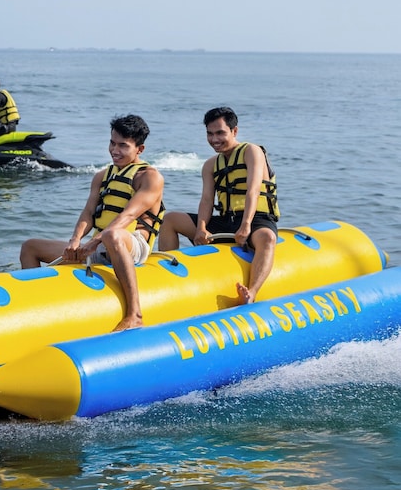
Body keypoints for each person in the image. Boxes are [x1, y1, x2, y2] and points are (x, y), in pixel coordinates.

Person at [20, 114, 165, 332]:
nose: (115, 150)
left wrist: (94, 242)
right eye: (112, 143)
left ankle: (135, 314)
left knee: (112, 235)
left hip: (132, 245)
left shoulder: (149, 177)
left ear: (140, 149)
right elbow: (88, 213)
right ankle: (33, 308)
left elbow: (127, 216)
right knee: (30, 247)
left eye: (123, 146)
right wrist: (76, 240)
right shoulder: (102, 176)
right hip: (101, 244)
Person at [158, 106, 280, 305]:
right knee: (170, 219)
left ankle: (252, 292)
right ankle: (168, 277)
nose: (214, 139)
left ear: (234, 131)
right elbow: (207, 199)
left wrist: (246, 225)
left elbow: (253, 190)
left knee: (267, 238)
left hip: (256, 220)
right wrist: (201, 228)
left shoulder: (251, 151)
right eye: (210, 133)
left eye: (220, 133)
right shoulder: (210, 165)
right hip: (225, 222)